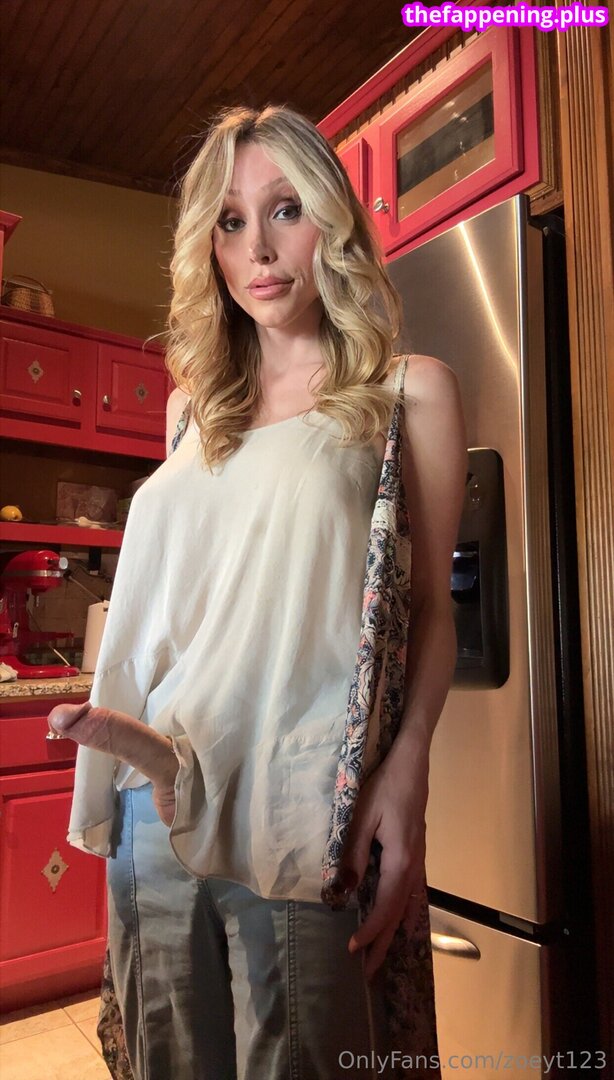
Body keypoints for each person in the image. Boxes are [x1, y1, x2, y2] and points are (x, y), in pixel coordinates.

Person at [48, 104, 467, 1080]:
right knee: (169, 1063)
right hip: (156, 797)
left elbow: (431, 611)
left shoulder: (407, 393)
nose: (259, 250)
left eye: (285, 210)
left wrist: (407, 773)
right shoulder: (189, 411)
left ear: (332, 219)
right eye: (230, 221)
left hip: (301, 803)